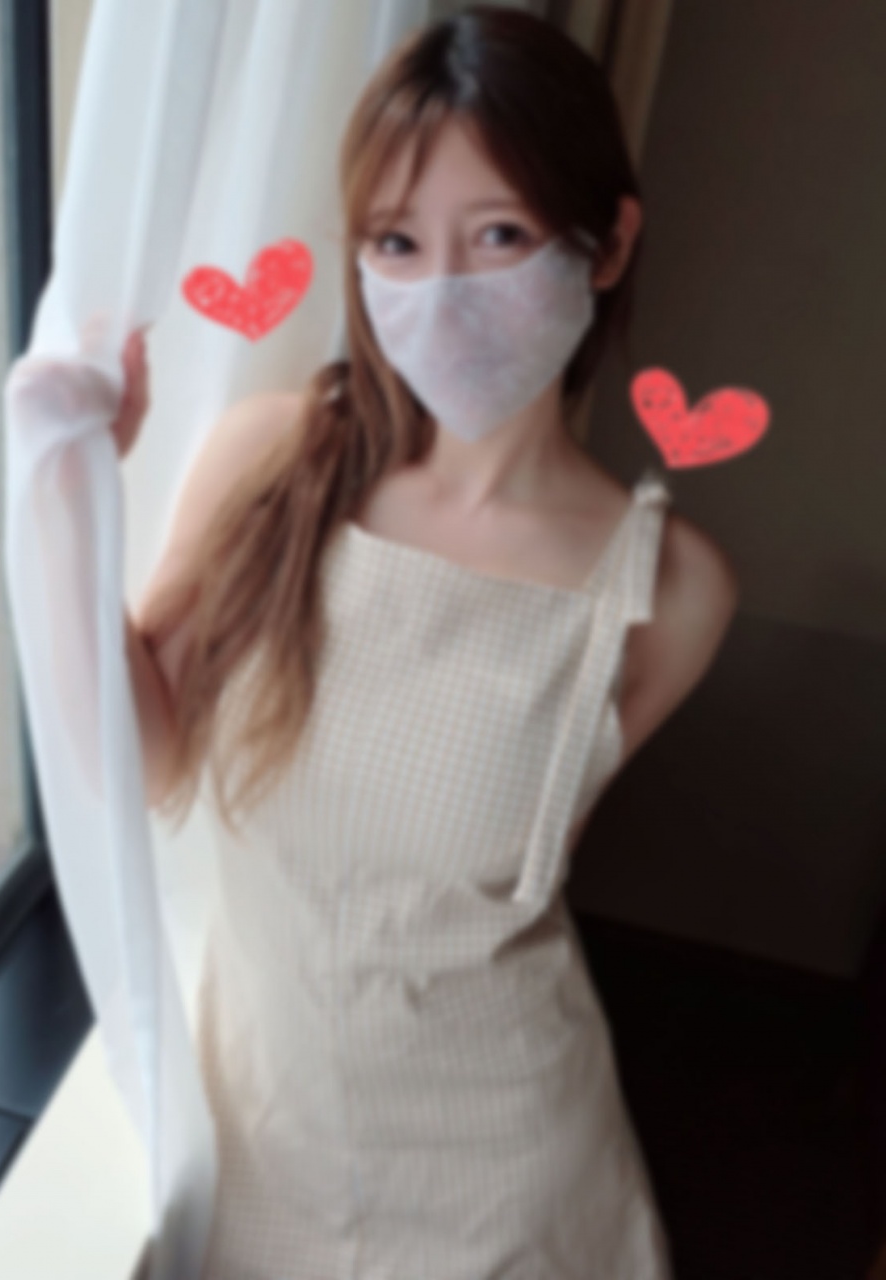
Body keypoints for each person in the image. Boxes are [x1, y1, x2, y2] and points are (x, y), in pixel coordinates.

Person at [116, 6, 738, 1276]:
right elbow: (147, 756)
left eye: (498, 235)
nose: (442, 290)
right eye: (396, 242)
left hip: (510, 1183)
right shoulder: (272, 460)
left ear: (608, 243)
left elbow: (483, 893)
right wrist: (64, 508)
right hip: (267, 1142)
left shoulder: (671, 588)